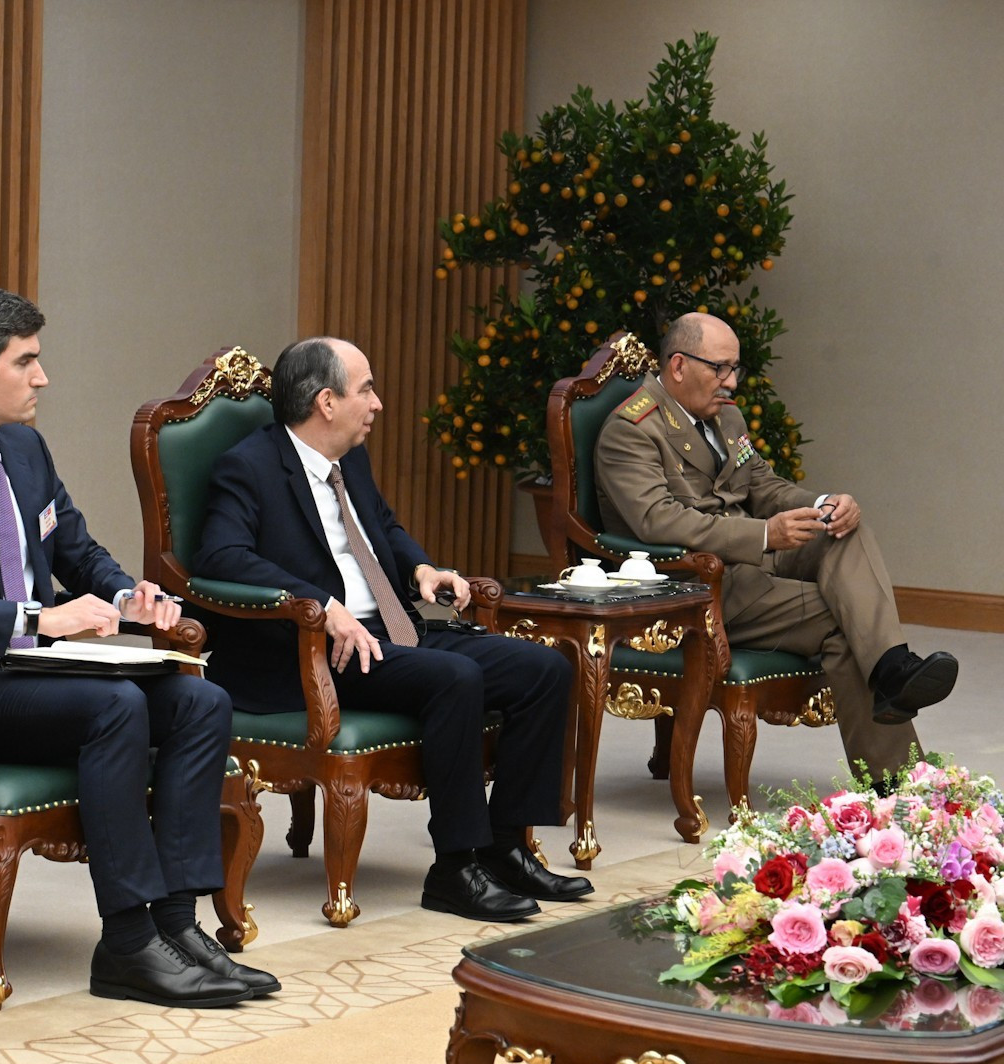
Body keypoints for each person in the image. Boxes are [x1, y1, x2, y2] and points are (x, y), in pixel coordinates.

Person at [0, 283, 276, 1007]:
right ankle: (128, 943)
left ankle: (176, 923)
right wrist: (36, 619)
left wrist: (124, 597)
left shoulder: (24, 447)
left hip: (44, 669)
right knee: (115, 708)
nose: (42, 378)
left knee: (201, 701)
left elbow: (75, 546)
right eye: (27, 362)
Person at [193, 337, 589, 923]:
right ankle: (455, 868)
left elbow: (382, 526)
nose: (378, 403)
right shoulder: (248, 467)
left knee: (545, 668)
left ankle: (504, 847)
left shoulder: (350, 458)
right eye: (367, 389)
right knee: (453, 677)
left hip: (392, 624)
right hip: (311, 650)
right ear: (327, 402)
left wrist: (422, 567)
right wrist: (322, 604)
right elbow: (220, 558)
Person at [595, 313, 955, 784]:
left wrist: (824, 505)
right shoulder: (632, 429)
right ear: (679, 366)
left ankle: (892, 669)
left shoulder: (725, 417)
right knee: (843, 622)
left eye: (735, 369)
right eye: (720, 368)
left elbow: (762, 486)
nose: (731, 383)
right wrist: (765, 536)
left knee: (843, 529)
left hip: (747, 562)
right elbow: (657, 520)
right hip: (692, 584)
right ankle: (898, 783)